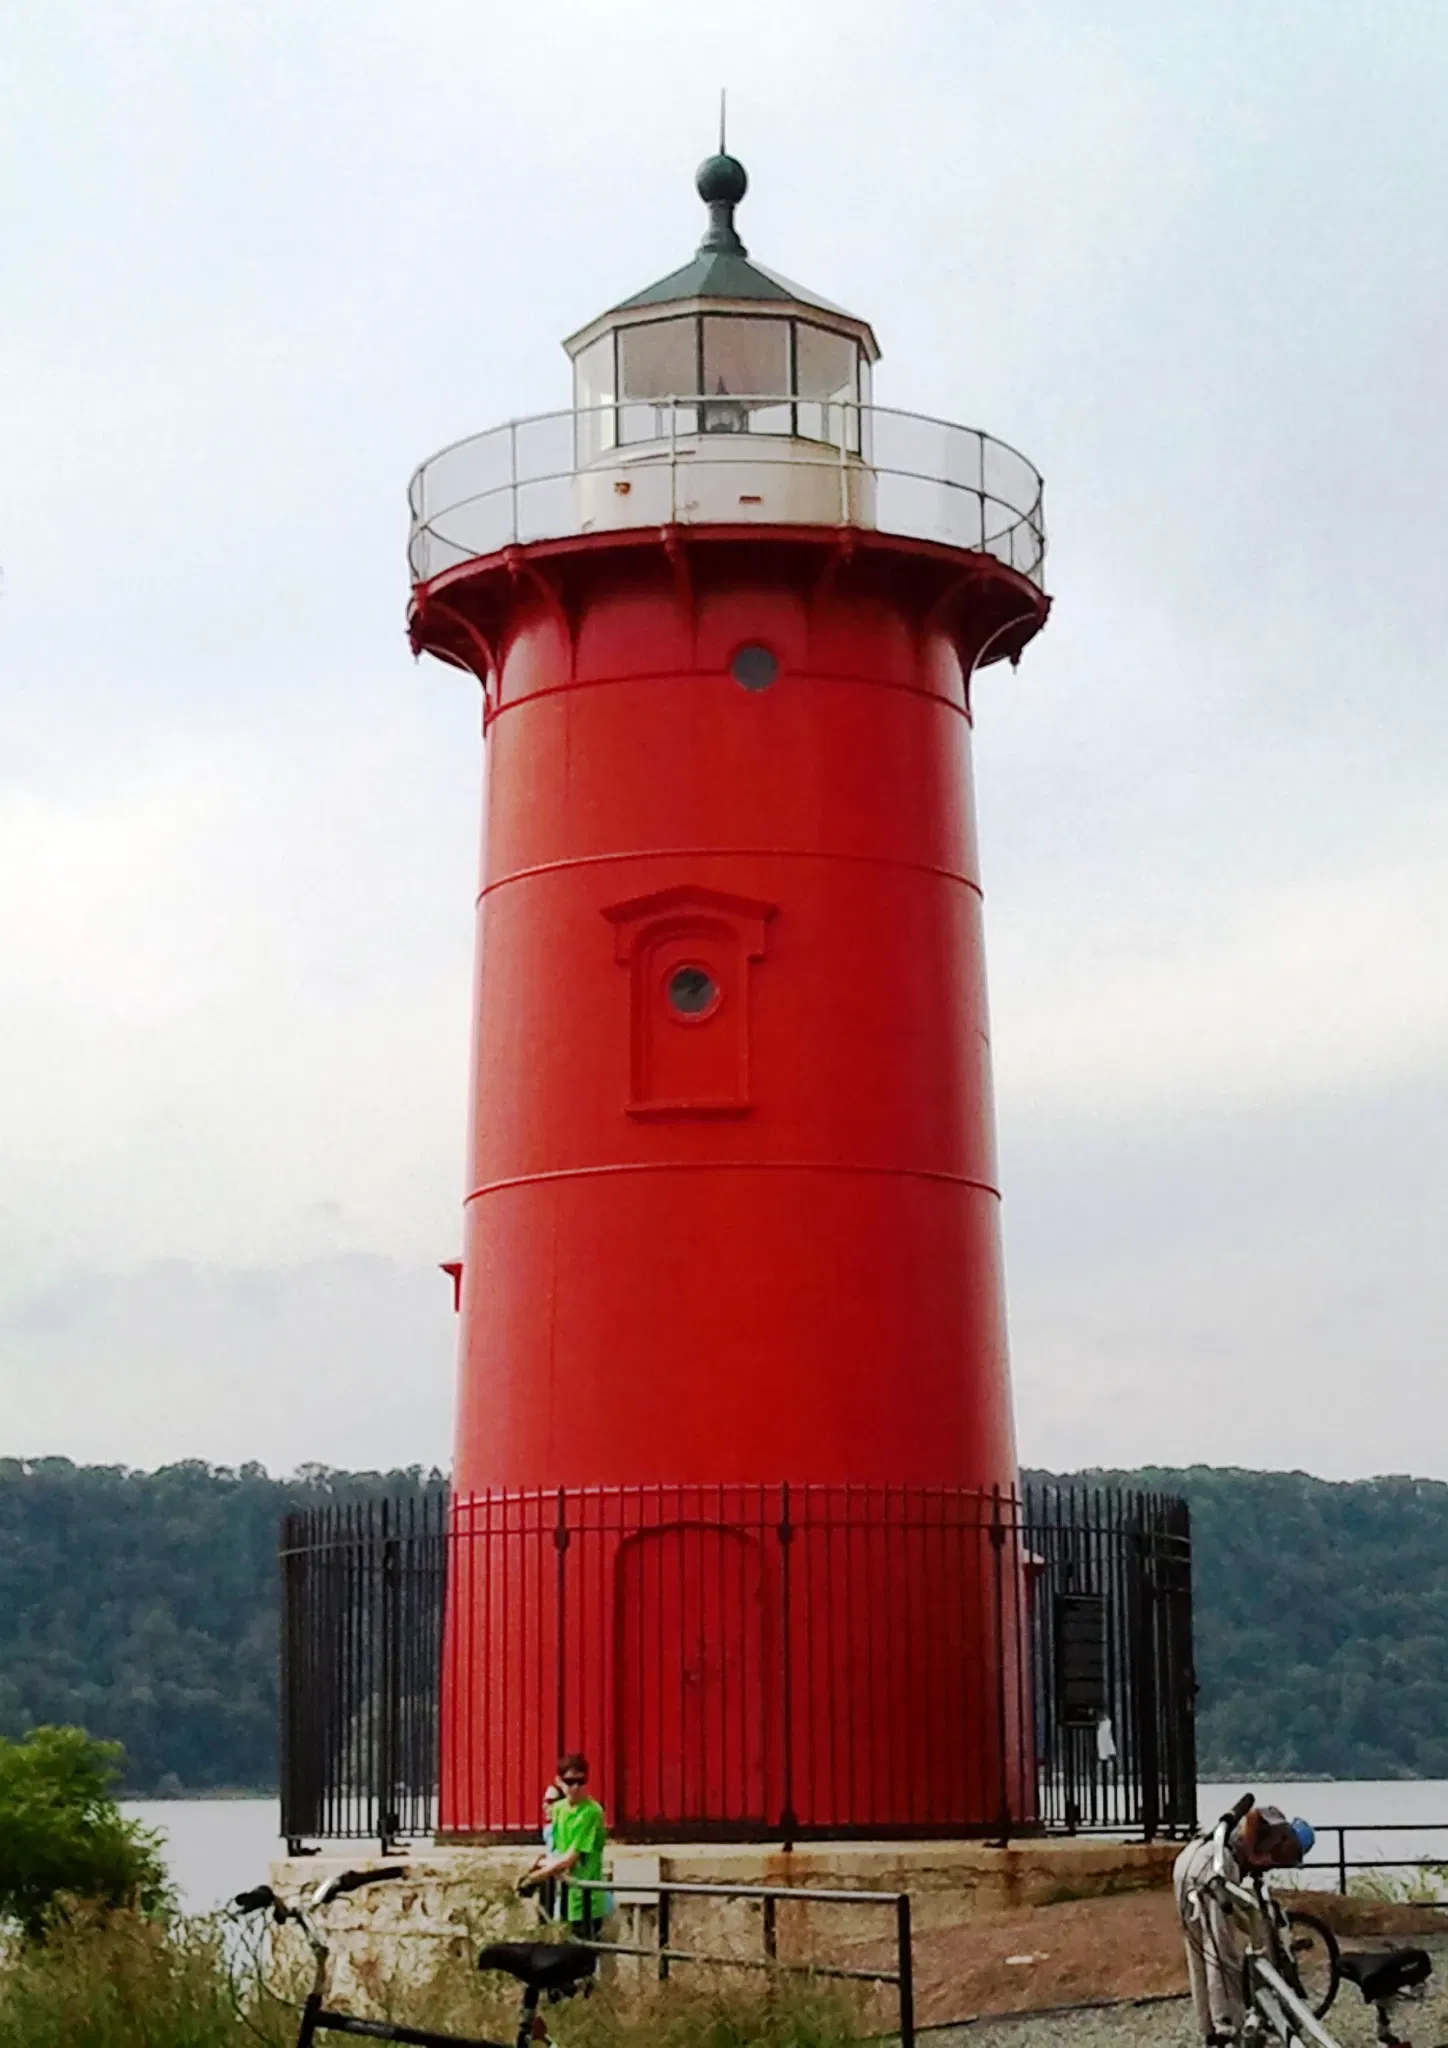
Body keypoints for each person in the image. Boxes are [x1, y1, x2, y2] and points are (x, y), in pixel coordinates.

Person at [1174, 1800, 1315, 2044]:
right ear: (1291, 1841)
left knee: (1198, 1949)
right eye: (1292, 1856)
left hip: (1188, 1861)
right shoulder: (1277, 1822)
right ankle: (1229, 2028)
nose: (1284, 1863)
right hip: (1213, 1865)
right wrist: (1253, 1855)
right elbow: (1251, 1816)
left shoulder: (1270, 1840)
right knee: (1221, 1952)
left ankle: (1209, 2029)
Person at [520, 1752, 608, 1938]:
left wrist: (535, 1877)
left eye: (581, 1781)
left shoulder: (592, 1812)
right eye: (569, 1782)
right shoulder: (559, 1810)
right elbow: (557, 1852)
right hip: (566, 1894)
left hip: (587, 1898)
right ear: (559, 1781)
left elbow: (569, 1858)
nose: (575, 1787)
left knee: (584, 1955)